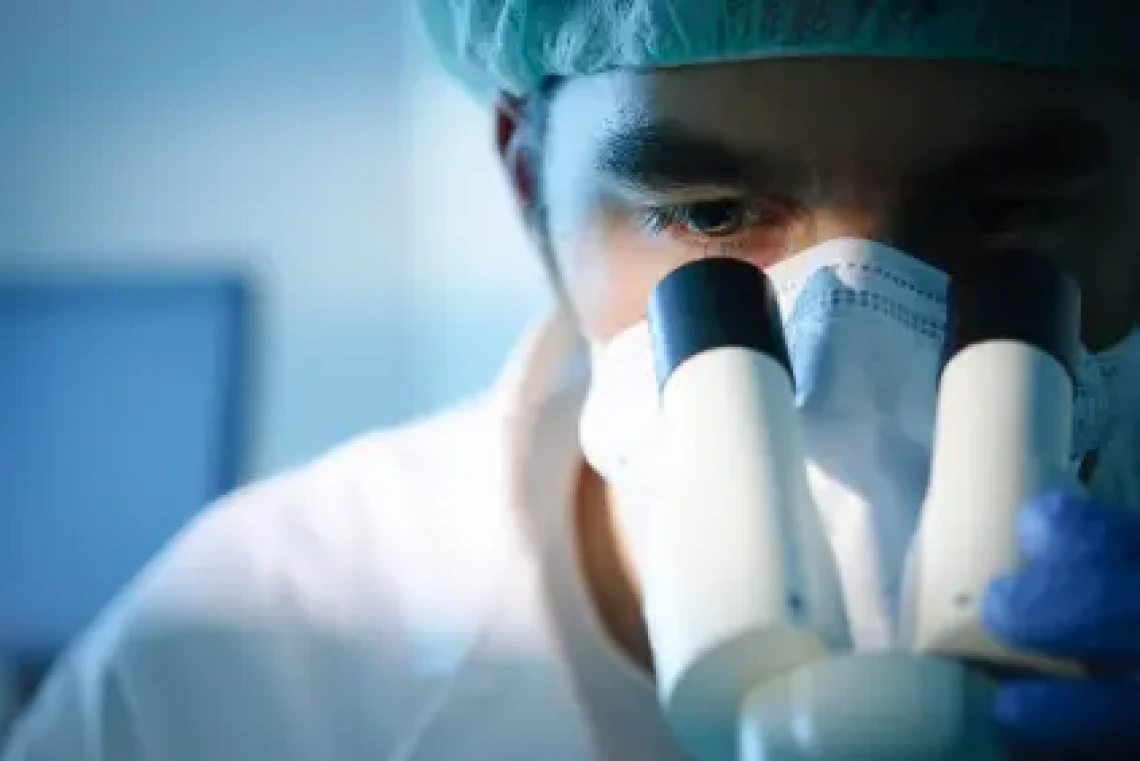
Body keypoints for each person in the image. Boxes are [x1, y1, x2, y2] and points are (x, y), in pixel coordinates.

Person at [6, 2, 1140, 759]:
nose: (849, 369)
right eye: (708, 215)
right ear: (524, 180)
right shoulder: (236, 663)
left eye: (1007, 216)